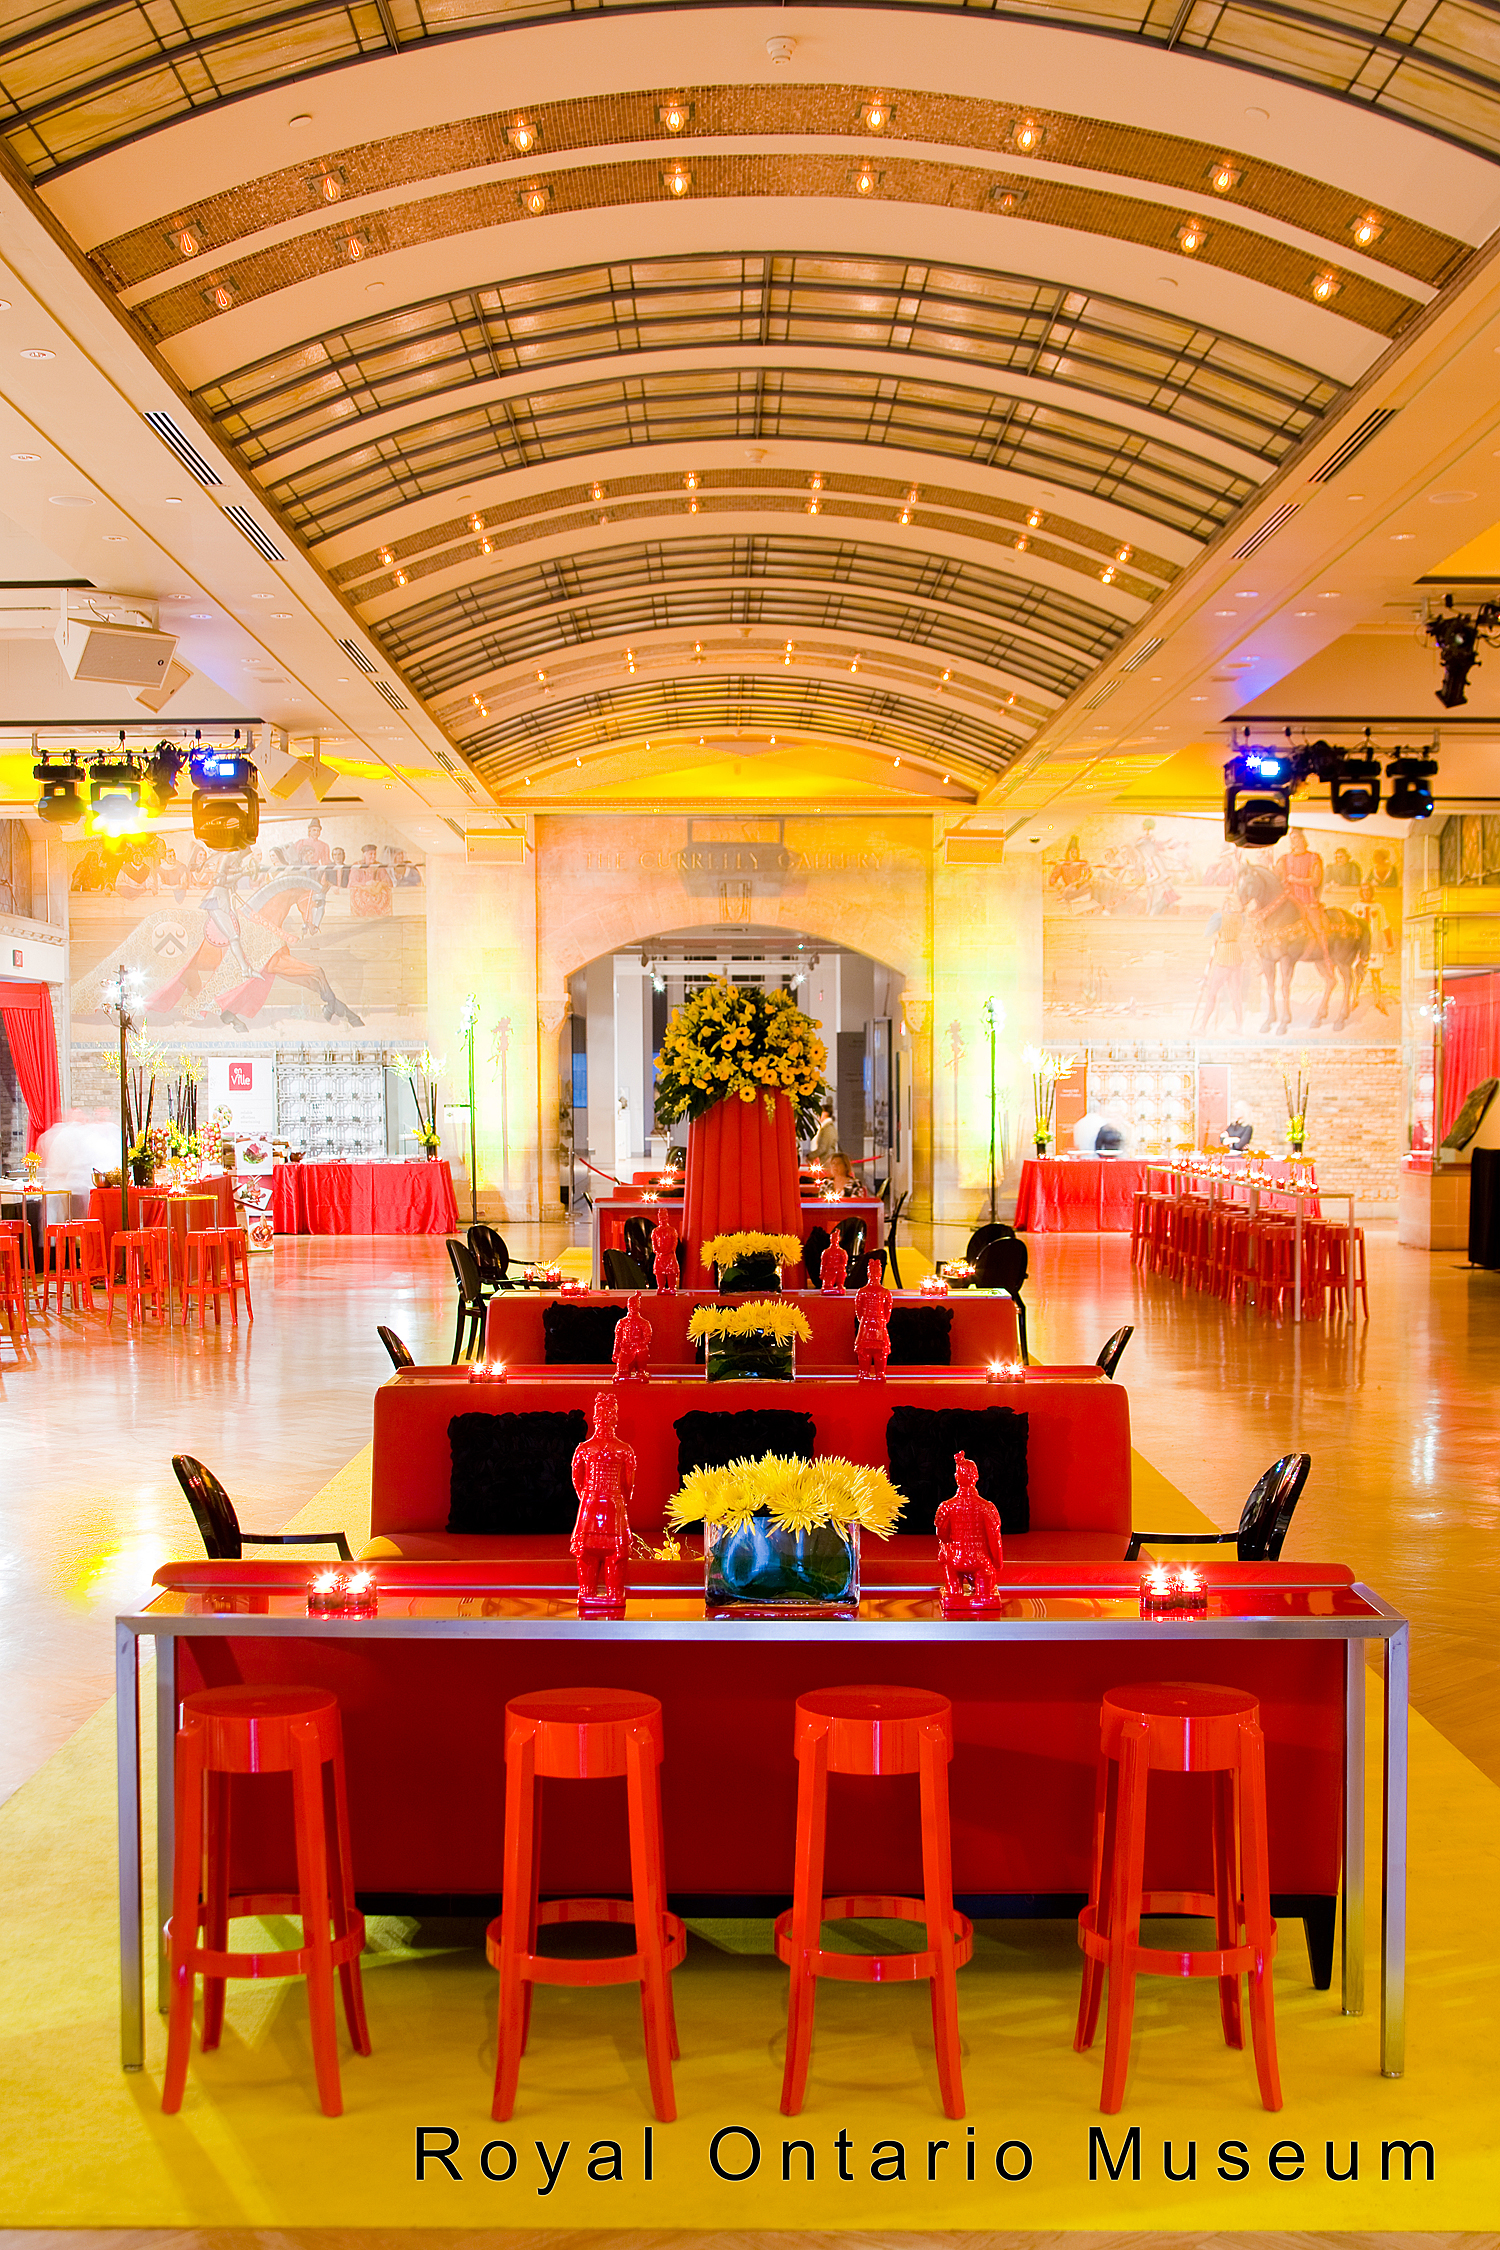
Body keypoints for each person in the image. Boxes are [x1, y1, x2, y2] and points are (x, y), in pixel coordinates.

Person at [349, 842, 393, 919]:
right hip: (361, 902)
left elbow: (388, 882)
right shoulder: (357, 865)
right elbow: (353, 882)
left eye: (374, 854)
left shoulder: (379, 865)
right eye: (370, 854)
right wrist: (366, 884)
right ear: (364, 855)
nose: (373, 856)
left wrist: (377, 883)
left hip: (377, 901)